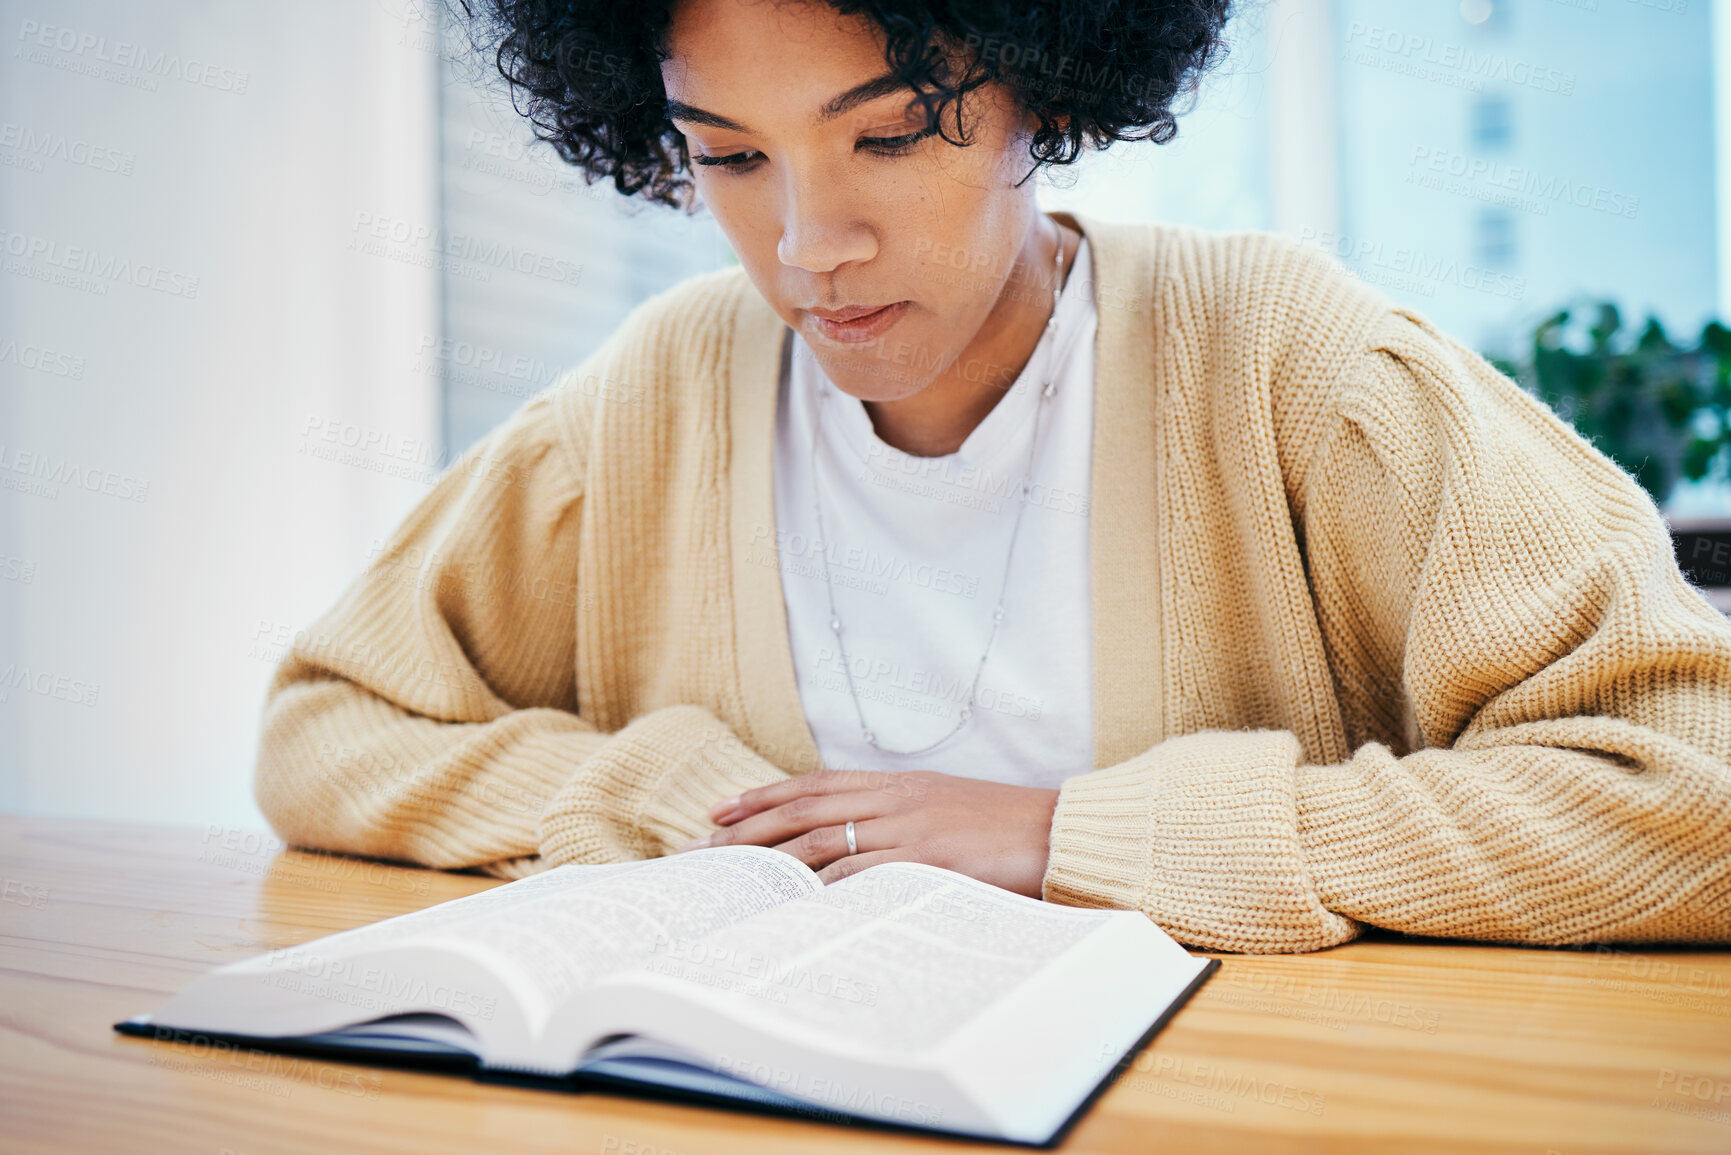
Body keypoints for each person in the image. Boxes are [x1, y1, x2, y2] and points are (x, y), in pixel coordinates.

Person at [255, 0, 1731, 953]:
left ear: (1047, 89)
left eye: (889, 137)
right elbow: (332, 723)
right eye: (732, 157)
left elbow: (1691, 790)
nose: (805, 244)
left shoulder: (1288, 366)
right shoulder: (659, 393)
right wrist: (676, 796)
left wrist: (1067, 837)